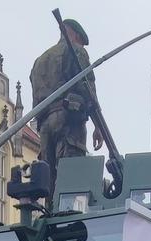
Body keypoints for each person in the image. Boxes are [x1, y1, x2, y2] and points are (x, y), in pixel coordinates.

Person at [30, 19, 103, 197]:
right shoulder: (76, 51)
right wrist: (98, 126)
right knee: (70, 179)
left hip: (45, 125)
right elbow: (87, 89)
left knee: (50, 181)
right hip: (69, 122)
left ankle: (49, 214)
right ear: (76, 36)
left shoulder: (40, 60)